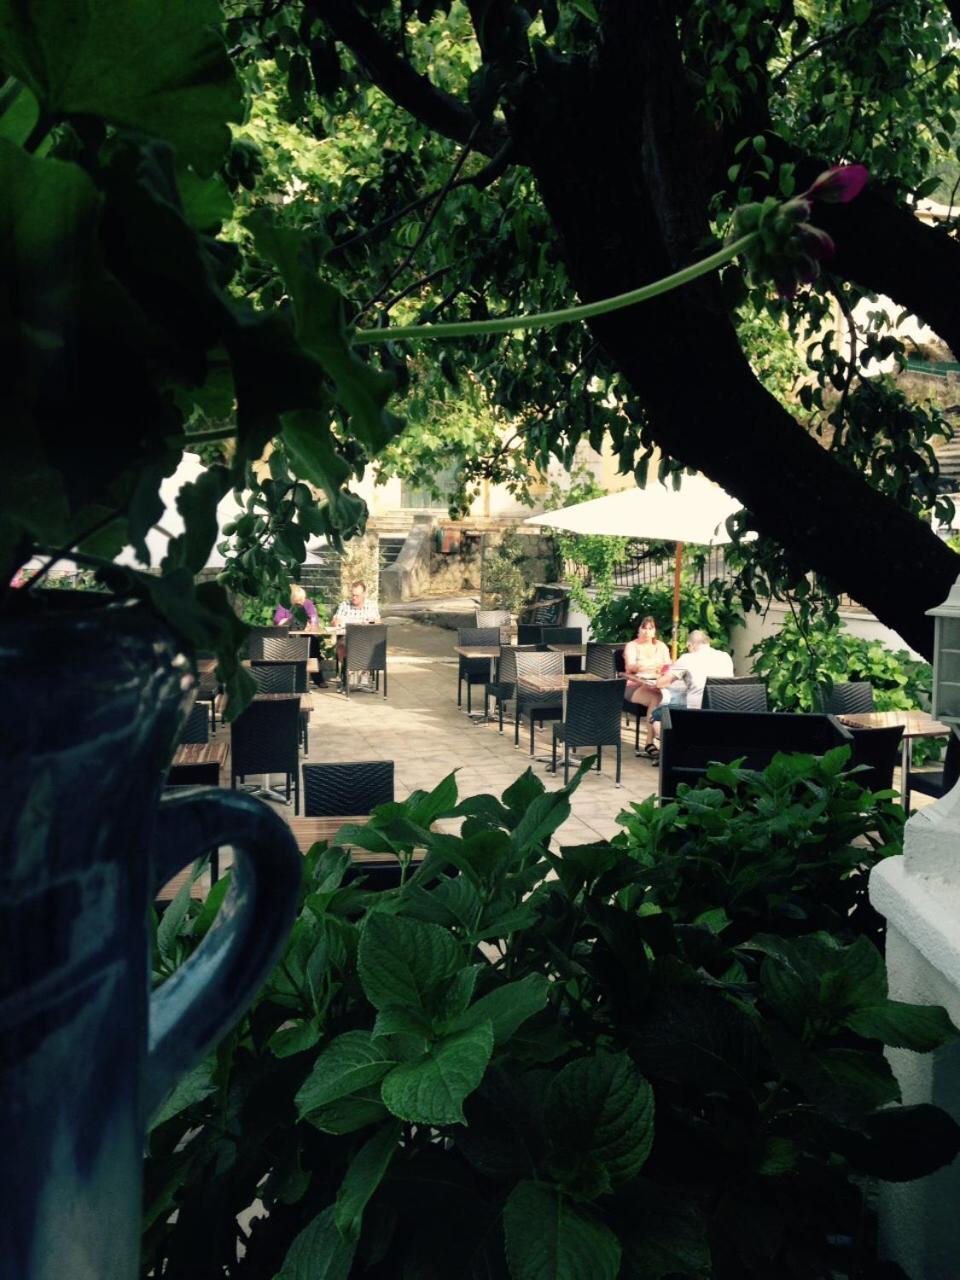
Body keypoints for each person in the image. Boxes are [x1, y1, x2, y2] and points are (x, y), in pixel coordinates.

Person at [623, 615, 671, 758]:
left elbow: (668, 666)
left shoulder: (661, 646)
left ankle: (667, 741)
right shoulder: (632, 646)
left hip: (656, 682)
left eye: (650, 628)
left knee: (672, 698)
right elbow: (630, 667)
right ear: (638, 629)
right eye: (644, 628)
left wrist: (661, 670)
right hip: (634, 685)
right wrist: (645, 666)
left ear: (655, 631)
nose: (647, 631)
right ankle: (649, 742)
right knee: (656, 698)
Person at [657, 629, 734, 709]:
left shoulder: (687, 658)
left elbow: (661, 683)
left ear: (690, 645)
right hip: (726, 709)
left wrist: (659, 676)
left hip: (697, 711)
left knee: (660, 708)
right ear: (708, 643)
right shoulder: (725, 656)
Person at [274, 584, 325, 686]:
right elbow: (277, 621)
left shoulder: (308, 603)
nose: (301, 602)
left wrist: (311, 624)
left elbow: (314, 618)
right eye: (298, 600)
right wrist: (289, 620)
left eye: (302, 599)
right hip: (289, 636)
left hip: (305, 635)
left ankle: (318, 679)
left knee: (313, 643)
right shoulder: (284, 605)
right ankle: (290, 679)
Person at [333, 580, 381, 689]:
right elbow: (335, 621)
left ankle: (360, 672)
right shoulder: (344, 605)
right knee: (342, 644)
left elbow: (378, 622)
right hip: (347, 638)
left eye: (357, 596)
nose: (354, 598)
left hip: (366, 639)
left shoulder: (371, 606)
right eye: (353, 595)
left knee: (367, 644)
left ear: (364, 594)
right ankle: (350, 671)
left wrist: (372, 622)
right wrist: (336, 621)